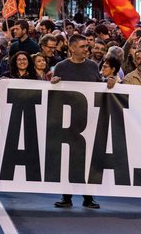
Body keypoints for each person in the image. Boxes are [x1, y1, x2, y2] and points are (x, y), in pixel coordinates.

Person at [50, 34, 102, 209]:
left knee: (88, 160)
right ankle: (67, 196)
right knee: (68, 160)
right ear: (71, 48)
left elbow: (100, 90)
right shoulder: (61, 67)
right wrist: (54, 83)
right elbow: (55, 95)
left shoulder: (93, 66)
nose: (86, 49)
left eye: (87, 46)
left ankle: (89, 197)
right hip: (68, 122)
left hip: (88, 120)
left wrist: (109, 85)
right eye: (82, 46)